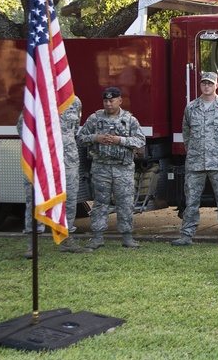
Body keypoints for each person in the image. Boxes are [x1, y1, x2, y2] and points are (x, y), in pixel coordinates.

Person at [172, 72, 218, 246]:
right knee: (191, 200)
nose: (207, 86)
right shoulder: (191, 108)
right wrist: (194, 151)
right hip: (195, 163)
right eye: (204, 83)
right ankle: (187, 235)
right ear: (200, 85)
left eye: (210, 84)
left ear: (216, 85)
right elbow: (186, 134)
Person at [18, 98, 91, 257]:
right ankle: (32, 244)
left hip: (68, 161)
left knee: (70, 200)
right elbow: (23, 128)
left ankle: (67, 241)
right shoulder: (37, 98)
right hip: (42, 161)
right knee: (35, 200)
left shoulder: (75, 101)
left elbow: (74, 128)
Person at [76, 86, 146, 249]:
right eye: (106, 101)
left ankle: (127, 237)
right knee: (100, 202)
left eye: (112, 100)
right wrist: (96, 138)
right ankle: (98, 237)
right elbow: (80, 138)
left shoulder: (129, 120)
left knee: (125, 202)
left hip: (123, 168)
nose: (108, 104)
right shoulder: (94, 119)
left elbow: (140, 140)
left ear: (120, 101)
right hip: (101, 167)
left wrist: (119, 140)